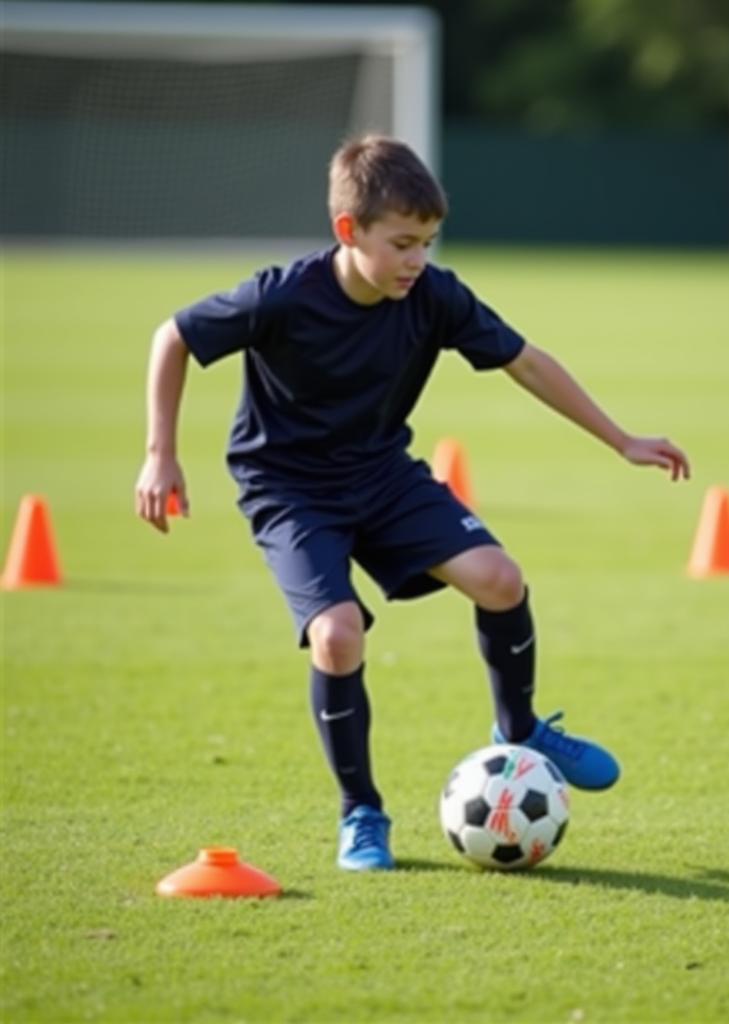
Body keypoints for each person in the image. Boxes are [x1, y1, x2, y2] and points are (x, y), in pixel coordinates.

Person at [134, 135, 690, 871]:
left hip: (382, 473)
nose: (416, 261)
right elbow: (172, 335)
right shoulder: (282, 295)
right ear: (348, 231)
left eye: (427, 242)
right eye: (401, 243)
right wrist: (159, 452)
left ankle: (517, 727)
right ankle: (360, 812)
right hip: (290, 491)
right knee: (335, 636)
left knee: (500, 578)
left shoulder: (433, 295)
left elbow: (525, 361)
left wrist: (620, 439)